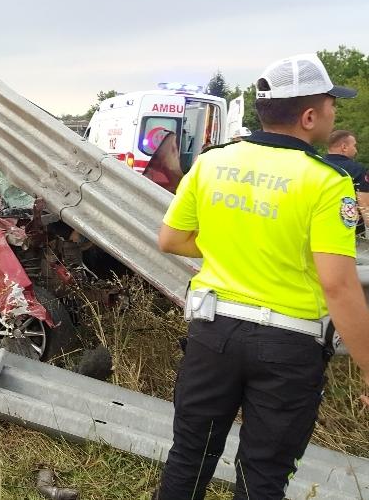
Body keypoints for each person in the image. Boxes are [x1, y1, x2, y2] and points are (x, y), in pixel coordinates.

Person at [154, 53, 369, 499]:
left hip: (212, 335)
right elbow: (339, 284)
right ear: (310, 116)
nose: (335, 112)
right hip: (288, 349)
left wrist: (232, 243)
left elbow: (171, 240)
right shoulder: (327, 182)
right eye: (332, 104)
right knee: (263, 475)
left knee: (189, 456)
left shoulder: (213, 163)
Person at [324, 129, 369, 234]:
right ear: (344, 147)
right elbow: (365, 206)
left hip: (320, 228)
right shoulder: (357, 170)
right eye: (354, 146)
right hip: (350, 231)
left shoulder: (315, 166)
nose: (356, 150)